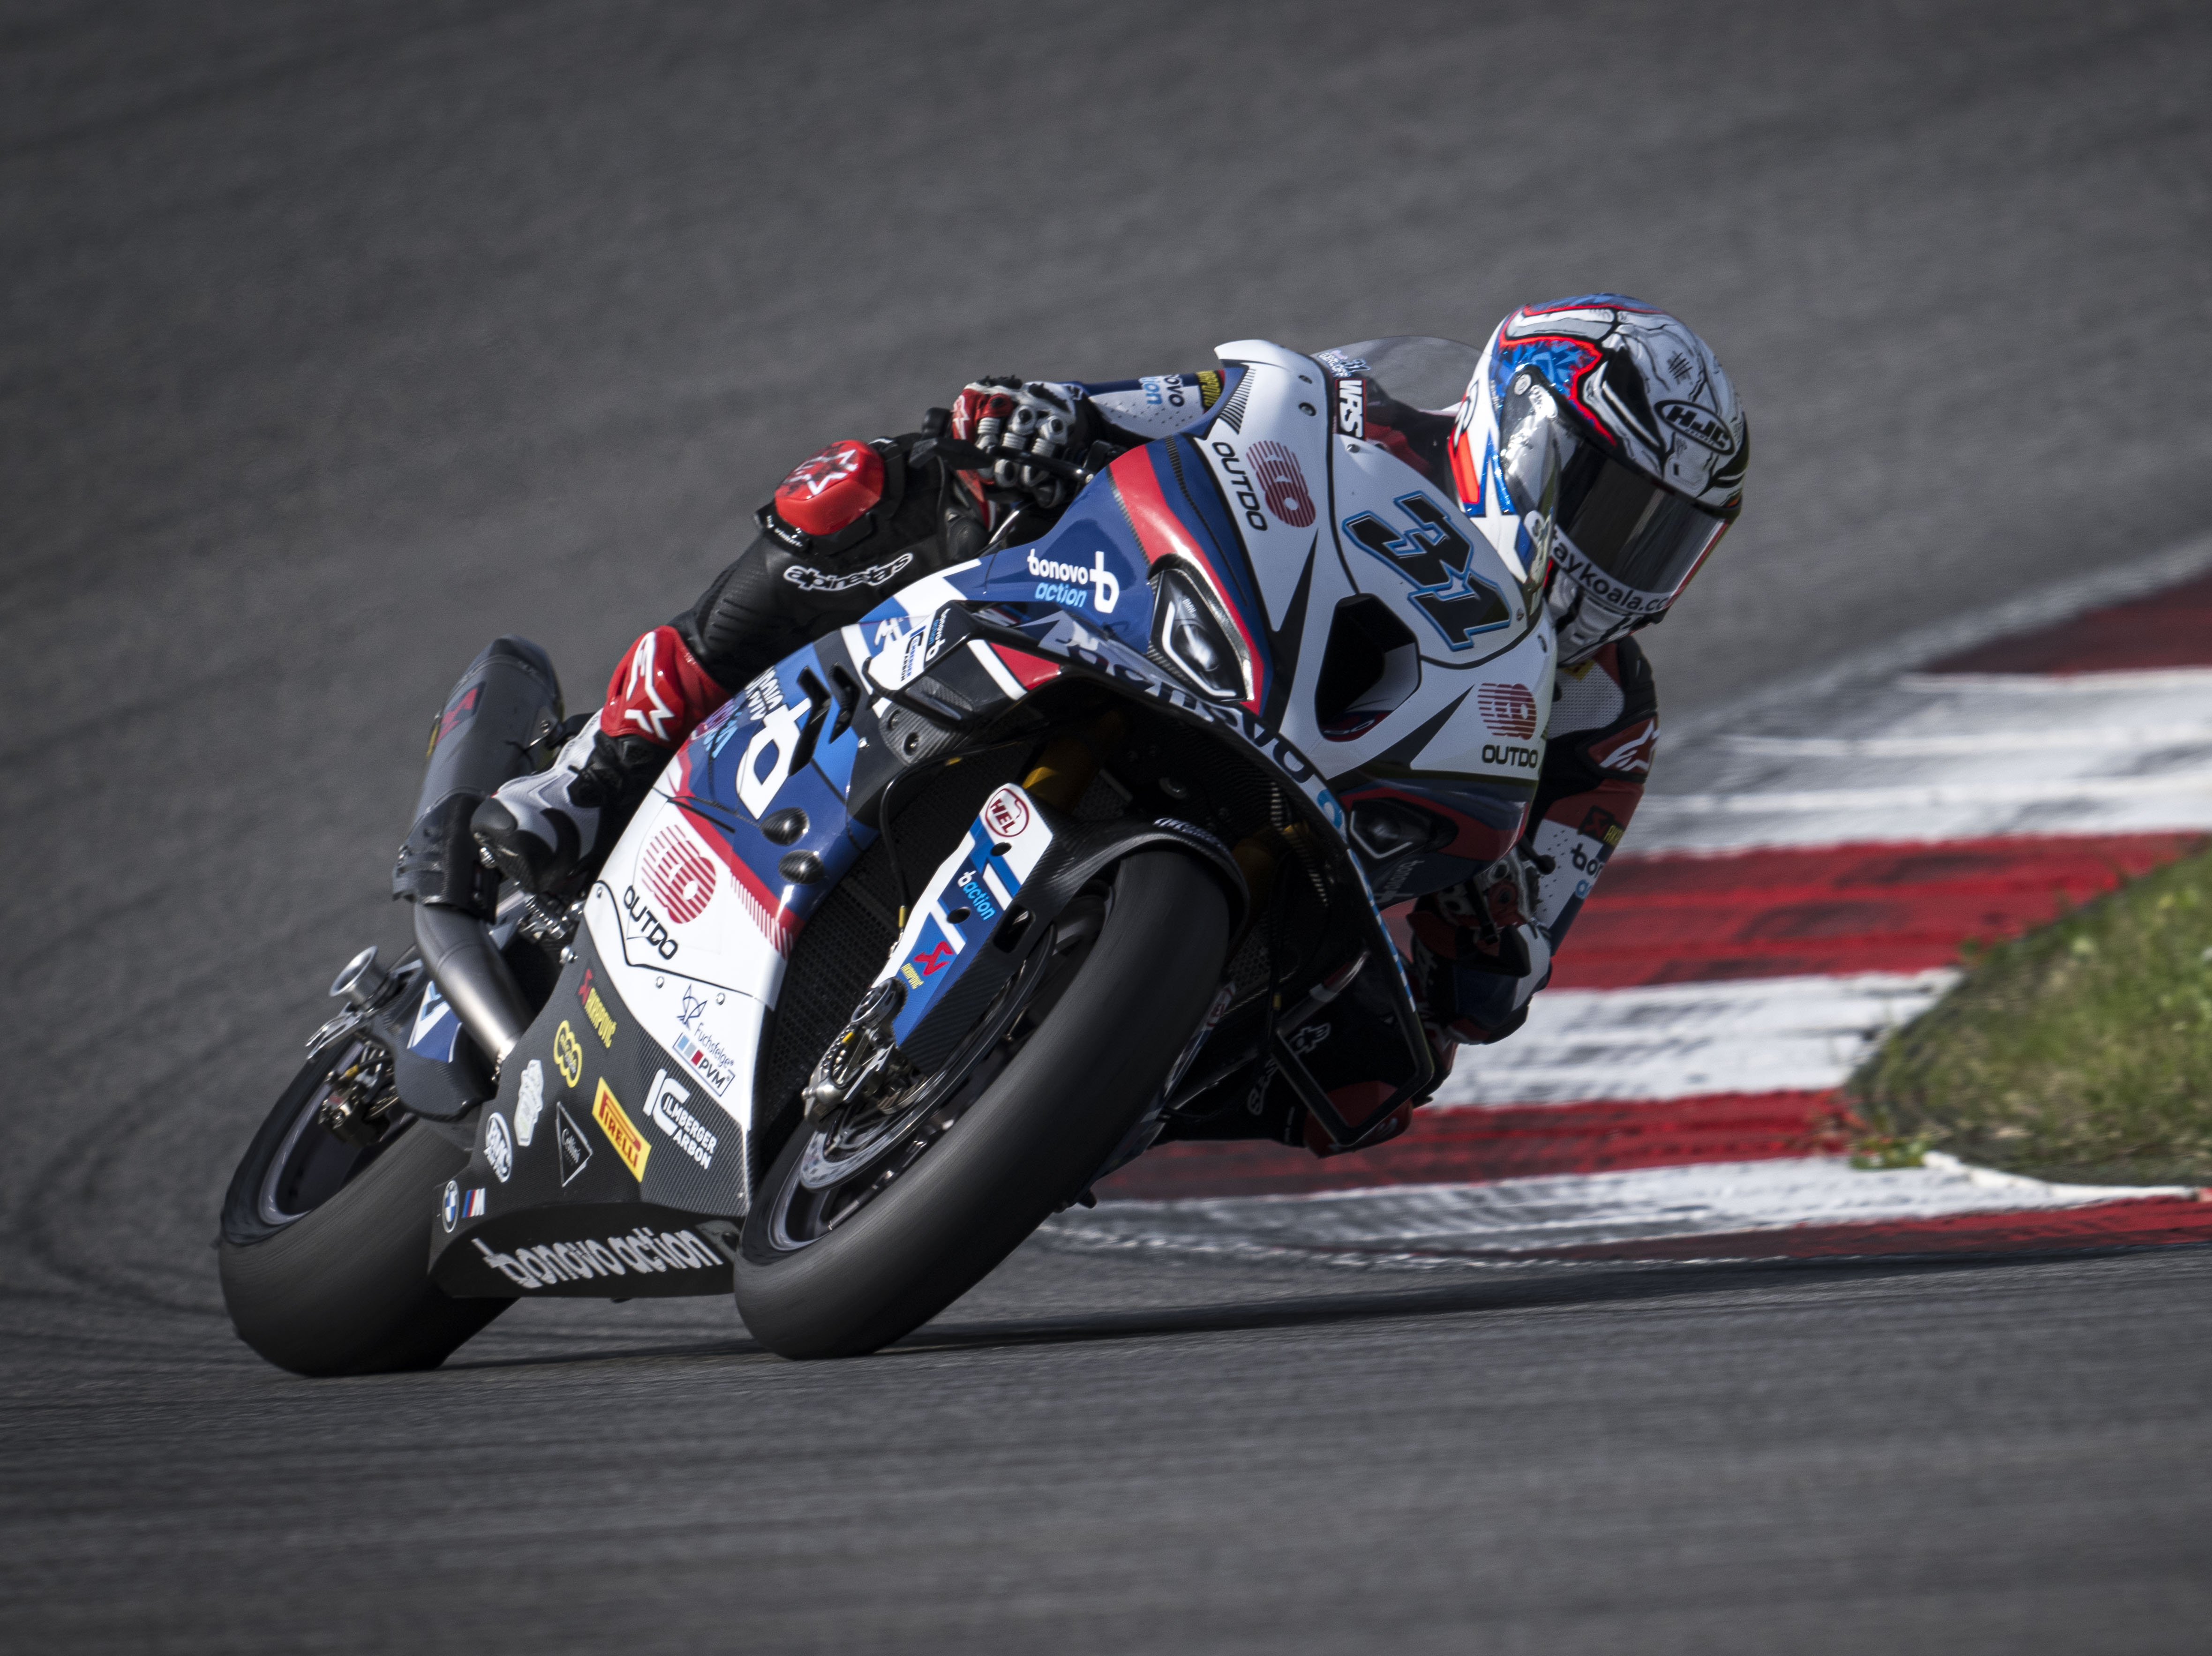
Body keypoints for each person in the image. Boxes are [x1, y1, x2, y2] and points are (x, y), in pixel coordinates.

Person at [472, 295, 1747, 1154]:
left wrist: (1490, 919)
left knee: (1375, 1079)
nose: (1628, 565)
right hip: (1166, 647)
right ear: (1526, 427)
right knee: (883, 487)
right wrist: (1047, 418)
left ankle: (1064, 1103)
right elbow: (1163, 407)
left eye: (1667, 541)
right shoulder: (1363, 410)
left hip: (1324, 857)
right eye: (1615, 508)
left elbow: (1504, 978)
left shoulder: (1607, 723)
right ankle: (603, 766)